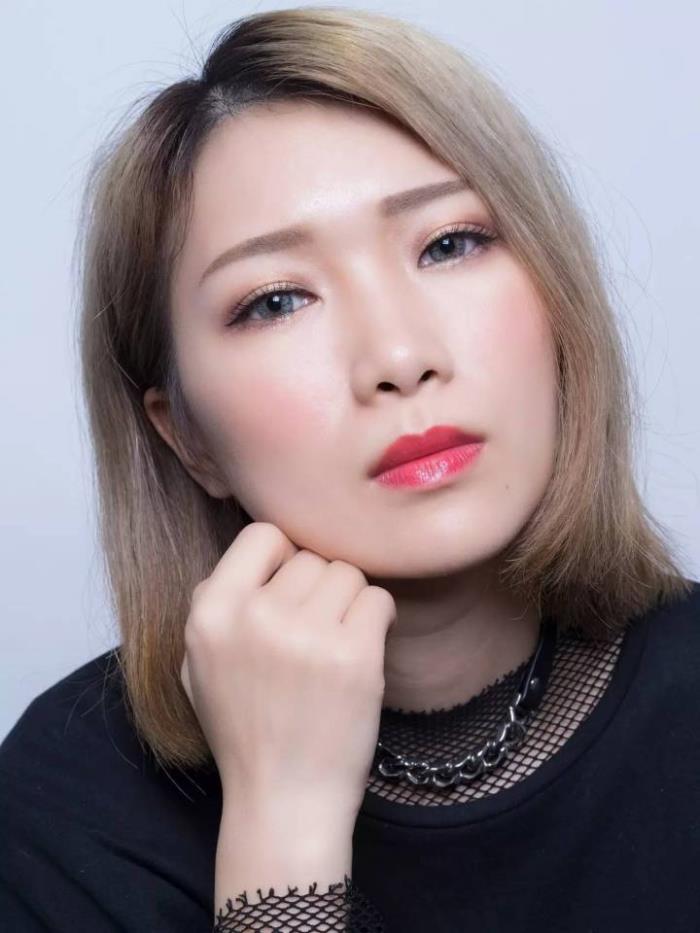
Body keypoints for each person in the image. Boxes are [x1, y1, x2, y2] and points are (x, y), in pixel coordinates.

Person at [1, 5, 698, 931]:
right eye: (275, 300)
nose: (399, 357)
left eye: (449, 244)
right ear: (187, 437)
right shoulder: (62, 806)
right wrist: (281, 829)